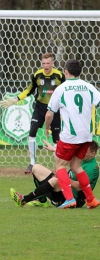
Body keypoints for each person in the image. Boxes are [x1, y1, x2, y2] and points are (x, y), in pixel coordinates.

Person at [45, 59, 100, 209]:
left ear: (66, 72)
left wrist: (46, 127)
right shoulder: (89, 87)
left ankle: (69, 199)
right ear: (80, 72)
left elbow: (50, 114)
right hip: (86, 136)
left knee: (60, 165)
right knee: (76, 166)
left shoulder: (61, 89)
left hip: (70, 135)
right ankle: (91, 199)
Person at [0, 53, 65, 174]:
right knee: (32, 130)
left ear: (52, 64)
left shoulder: (59, 76)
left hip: (54, 109)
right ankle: (32, 163)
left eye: (48, 63)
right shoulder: (37, 75)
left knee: (56, 137)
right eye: (43, 63)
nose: (45, 66)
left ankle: (59, 165)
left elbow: (65, 91)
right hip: (40, 108)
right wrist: (16, 99)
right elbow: (29, 90)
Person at [10, 140, 99, 208]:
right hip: (62, 188)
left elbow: (79, 186)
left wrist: (63, 178)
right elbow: (68, 155)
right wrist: (54, 149)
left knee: (55, 180)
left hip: (74, 199)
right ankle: (42, 201)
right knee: (36, 168)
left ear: (92, 153)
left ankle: (23, 200)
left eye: (84, 151)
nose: (81, 152)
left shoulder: (91, 168)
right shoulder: (81, 159)